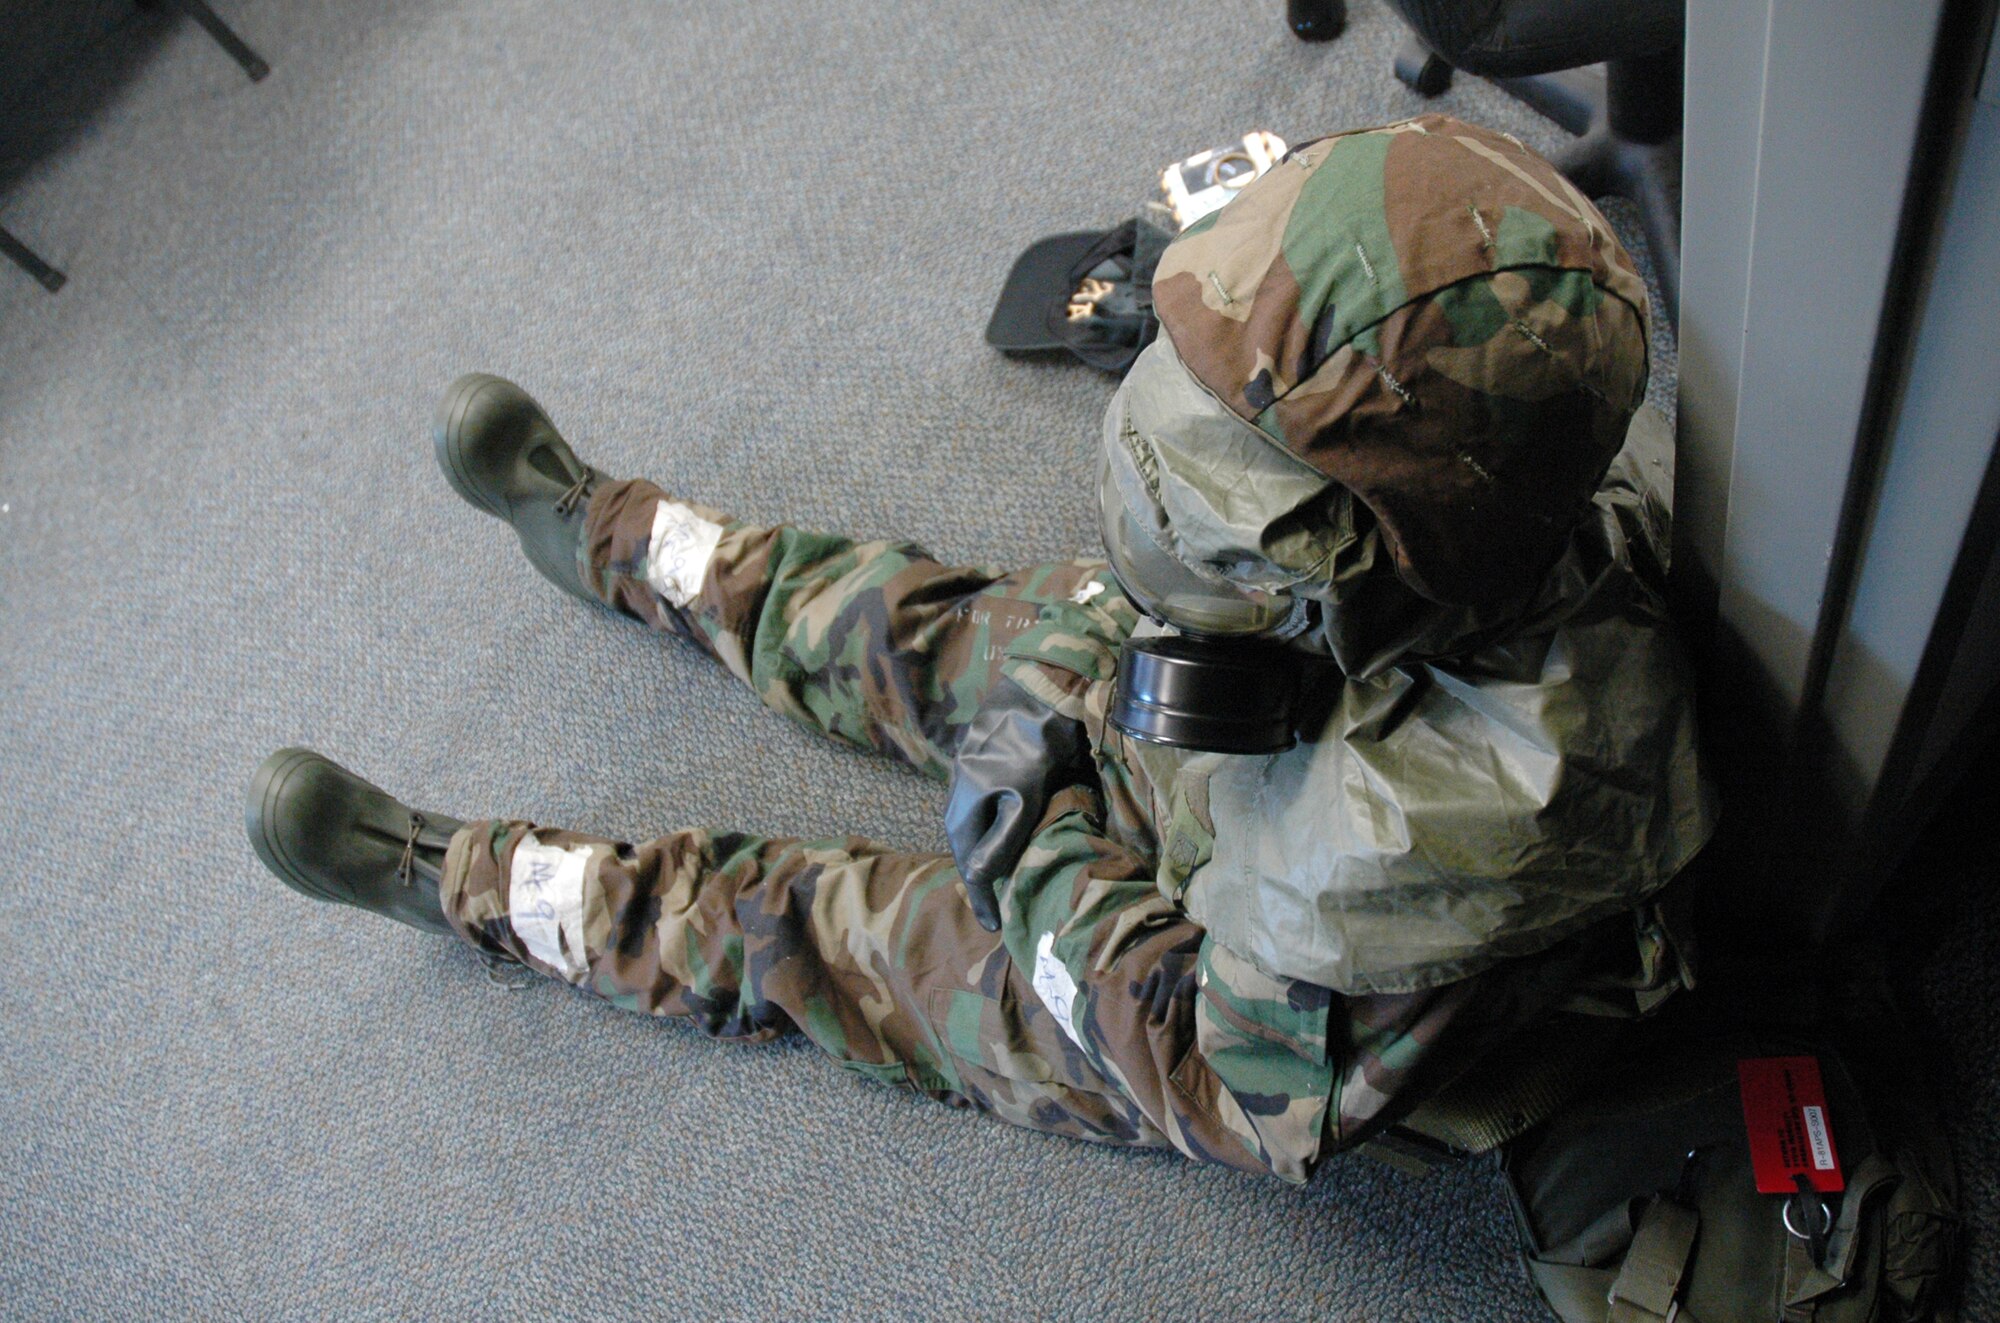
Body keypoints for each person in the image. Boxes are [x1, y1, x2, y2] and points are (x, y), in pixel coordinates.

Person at [245, 114, 1712, 1185]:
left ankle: (490, 888)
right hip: (1291, 696)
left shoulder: (1411, 875)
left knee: (818, 930)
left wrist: (1030, 847)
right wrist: (1109, 653)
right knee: (925, 625)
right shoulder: (1504, 471)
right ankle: (631, 542)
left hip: (1218, 1003)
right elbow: (1216, 510)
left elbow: (1208, 1068)